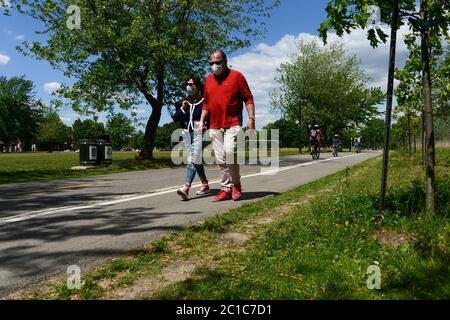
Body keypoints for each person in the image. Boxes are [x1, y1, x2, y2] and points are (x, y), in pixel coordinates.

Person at [198, 49, 255, 202]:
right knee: (221, 159)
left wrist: (251, 119)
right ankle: (225, 189)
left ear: (225, 62)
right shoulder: (208, 80)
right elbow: (206, 103)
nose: (214, 65)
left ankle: (236, 184)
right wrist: (202, 121)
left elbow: (248, 98)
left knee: (230, 154)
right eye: (211, 63)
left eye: (217, 62)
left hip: (233, 123)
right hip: (215, 125)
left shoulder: (237, 76)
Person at [172, 75, 210, 200]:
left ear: (198, 86)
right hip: (187, 135)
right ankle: (205, 183)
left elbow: (210, 117)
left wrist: (205, 125)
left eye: (191, 84)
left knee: (192, 158)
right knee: (195, 160)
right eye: (187, 83)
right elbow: (175, 118)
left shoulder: (204, 101)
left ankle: (186, 187)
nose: (188, 86)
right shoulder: (183, 102)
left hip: (200, 134)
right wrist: (183, 108)